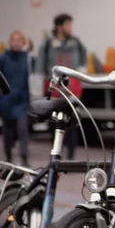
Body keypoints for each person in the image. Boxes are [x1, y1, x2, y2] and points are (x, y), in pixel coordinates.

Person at [37, 13, 87, 160]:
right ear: (59, 27)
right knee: (55, 124)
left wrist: (80, 79)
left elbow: (83, 62)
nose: (70, 28)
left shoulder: (76, 43)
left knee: (72, 123)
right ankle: (56, 154)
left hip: (72, 89)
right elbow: (40, 67)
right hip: (55, 90)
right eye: (68, 25)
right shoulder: (47, 45)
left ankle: (70, 157)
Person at [0, 30, 31, 166]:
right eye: (14, 40)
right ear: (10, 42)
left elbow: (31, 77)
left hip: (22, 101)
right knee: (7, 132)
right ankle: (9, 158)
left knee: (23, 129)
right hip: (6, 100)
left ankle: (24, 159)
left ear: (23, 42)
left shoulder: (28, 58)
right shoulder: (3, 58)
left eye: (19, 40)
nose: (16, 42)